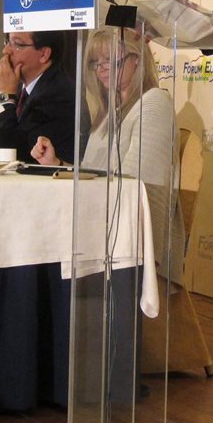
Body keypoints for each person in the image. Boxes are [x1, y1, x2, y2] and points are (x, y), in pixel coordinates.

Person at [32, 27, 183, 282]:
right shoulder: (107, 113)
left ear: (137, 60)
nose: (101, 69)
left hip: (137, 245)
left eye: (110, 60)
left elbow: (138, 186)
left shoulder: (154, 102)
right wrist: (57, 163)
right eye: (96, 62)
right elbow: (94, 176)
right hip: (105, 230)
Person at [0, 30, 76, 164]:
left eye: (17, 44)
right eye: (7, 41)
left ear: (44, 54)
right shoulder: (18, 86)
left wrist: (5, 95)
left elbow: (9, 152)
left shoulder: (57, 94)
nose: (6, 51)